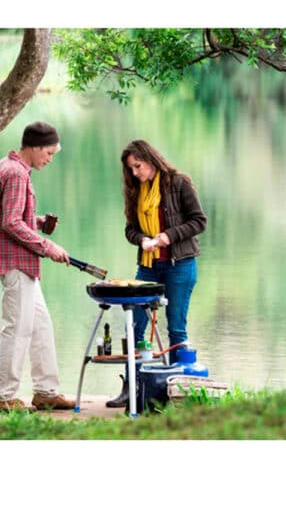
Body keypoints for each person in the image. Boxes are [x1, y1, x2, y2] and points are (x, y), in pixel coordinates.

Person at [106, 139, 208, 408]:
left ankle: (177, 392)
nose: (134, 172)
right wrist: (141, 239)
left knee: (176, 328)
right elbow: (130, 229)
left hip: (180, 265)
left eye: (138, 166)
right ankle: (133, 389)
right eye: (130, 169)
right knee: (135, 325)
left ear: (150, 160)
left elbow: (199, 221)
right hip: (148, 266)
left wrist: (167, 237)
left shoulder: (179, 183)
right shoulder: (135, 191)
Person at [0, 121, 76, 413]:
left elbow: (10, 215)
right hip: (16, 263)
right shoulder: (15, 173)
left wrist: (37, 222)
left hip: (22, 264)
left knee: (40, 327)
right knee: (17, 329)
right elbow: (10, 223)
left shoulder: (9, 167)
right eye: (48, 153)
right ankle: (4, 397)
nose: (50, 159)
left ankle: (46, 392)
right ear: (35, 147)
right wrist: (48, 246)